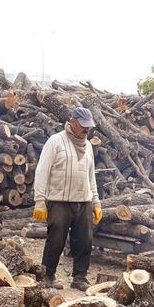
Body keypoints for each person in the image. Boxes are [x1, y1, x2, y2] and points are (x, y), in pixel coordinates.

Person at [32, 107, 103, 291]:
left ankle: (80, 277)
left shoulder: (88, 146)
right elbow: (42, 171)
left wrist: (96, 202)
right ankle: (48, 276)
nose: (87, 129)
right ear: (73, 122)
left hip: (83, 201)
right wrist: (39, 201)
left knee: (85, 241)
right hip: (59, 202)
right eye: (83, 125)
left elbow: (90, 177)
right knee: (56, 239)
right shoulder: (55, 141)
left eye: (89, 126)